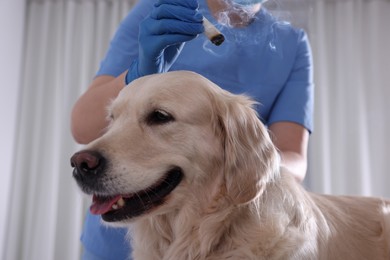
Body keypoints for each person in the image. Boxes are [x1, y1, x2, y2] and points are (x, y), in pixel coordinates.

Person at [70, 0, 314, 259]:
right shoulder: (160, 11)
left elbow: (294, 158)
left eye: (160, 116)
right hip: (118, 244)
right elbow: (83, 128)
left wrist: (241, 160)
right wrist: (136, 73)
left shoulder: (291, 42)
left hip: (237, 239)